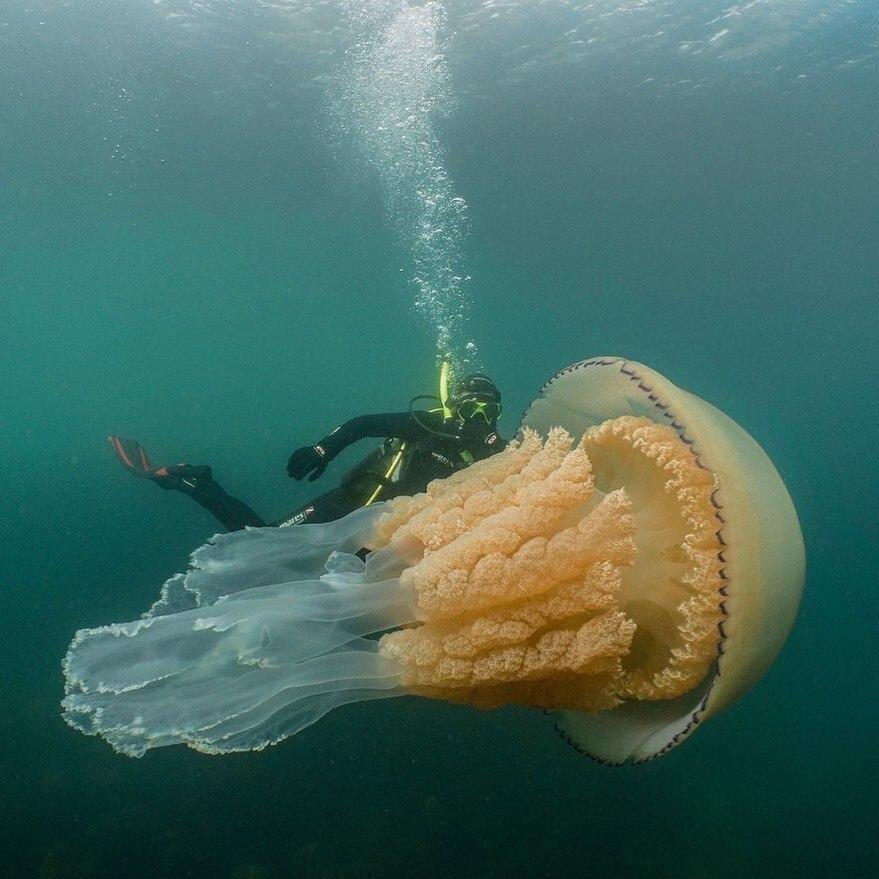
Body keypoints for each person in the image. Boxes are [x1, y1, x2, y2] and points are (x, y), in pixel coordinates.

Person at [109, 372, 506, 532]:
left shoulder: (498, 454)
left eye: (488, 411)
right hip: (351, 504)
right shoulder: (431, 424)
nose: (479, 417)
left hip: (392, 535)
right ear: (456, 404)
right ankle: (198, 483)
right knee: (262, 542)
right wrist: (323, 449)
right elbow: (364, 424)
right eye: (472, 406)